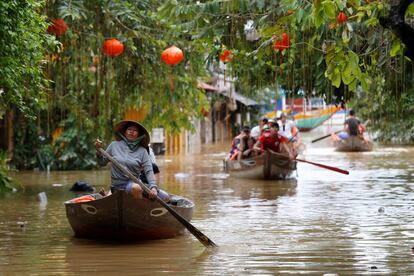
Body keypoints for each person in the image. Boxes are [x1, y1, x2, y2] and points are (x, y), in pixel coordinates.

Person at [95, 120, 169, 201]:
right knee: (136, 188)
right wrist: (99, 152)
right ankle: (139, 209)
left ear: (138, 134)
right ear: (125, 132)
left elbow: (149, 171)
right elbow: (101, 163)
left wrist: (153, 187)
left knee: (165, 197)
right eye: (129, 129)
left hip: (137, 183)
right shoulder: (114, 145)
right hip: (118, 186)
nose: (131, 132)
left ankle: (143, 202)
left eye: (135, 130)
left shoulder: (142, 151)